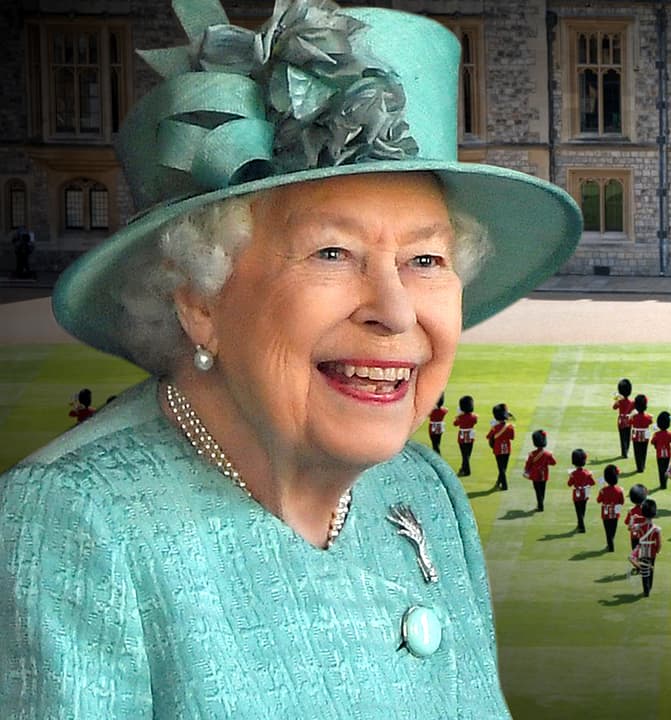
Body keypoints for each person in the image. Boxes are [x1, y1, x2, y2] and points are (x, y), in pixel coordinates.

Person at [0, 1, 582, 714]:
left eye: (425, 258)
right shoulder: (79, 520)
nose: (396, 312)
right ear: (200, 299)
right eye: (331, 253)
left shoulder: (422, 490)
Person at [631, 498, 662, 597]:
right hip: (652, 550)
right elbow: (659, 543)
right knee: (651, 567)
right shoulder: (657, 529)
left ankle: (646, 589)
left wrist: (632, 518)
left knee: (644, 569)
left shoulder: (639, 526)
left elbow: (630, 528)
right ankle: (650, 586)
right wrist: (657, 550)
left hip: (643, 550)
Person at [522, 429, 556, 512]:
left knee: (537, 490)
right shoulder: (548, 454)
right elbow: (553, 463)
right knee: (542, 490)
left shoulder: (532, 454)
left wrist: (526, 471)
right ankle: (541, 504)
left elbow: (528, 464)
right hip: (544, 473)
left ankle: (540, 505)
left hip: (535, 474)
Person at [486, 403, 515, 491]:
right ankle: (499, 482)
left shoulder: (495, 428)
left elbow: (488, 436)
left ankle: (504, 485)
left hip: (498, 449)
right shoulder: (510, 427)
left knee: (501, 468)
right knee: (504, 467)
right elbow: (512, 437)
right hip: (507, 448)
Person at [567, 449, 596, 534]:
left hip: (577, 494)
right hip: (585, 493)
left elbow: (569, 484)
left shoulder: (573, 474)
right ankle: (580, 524)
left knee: (578, 511)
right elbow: (592, 483)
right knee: (583, 509)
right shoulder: (587, 473)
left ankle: (581, 526)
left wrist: (571, 477)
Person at [596, 465, 624, 552]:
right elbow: (622, 502)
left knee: (607, 530)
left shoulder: (603, 490)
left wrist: (601, 492)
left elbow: (598, 500)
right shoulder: (619, 490)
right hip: (616, 511)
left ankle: (610, 545)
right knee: (613, 528)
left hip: (606, 512)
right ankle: (611, 542)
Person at [454, 394, 478, 477]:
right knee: (467, 454)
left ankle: (466, 470)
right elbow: (475, 421)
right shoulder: (474, 417)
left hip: (462, 437)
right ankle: (463, 468)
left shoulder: (460, 417)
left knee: (464, 455)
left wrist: (458, 416)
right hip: (471, 437)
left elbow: (455, 424)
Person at [630, 394, 653, 474]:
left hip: (635, 434)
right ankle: (642, 465)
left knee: (637, 451)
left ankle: (639, 466)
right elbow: (650, 421)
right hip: (645, 434)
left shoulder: (634, 416)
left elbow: (630, 422)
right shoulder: (648, 417)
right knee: (644, 450)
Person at [651, 411, 671, 490]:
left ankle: (662, 484)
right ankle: (665, 483)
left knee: (661, 469)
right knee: (666, 468)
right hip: (667, 454)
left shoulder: (656, 434)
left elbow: (652, 442)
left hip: (659, 454)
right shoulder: (670, 434)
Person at [613, 378, 634, 459]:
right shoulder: (631, 402)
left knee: (622, 437)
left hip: (621, 420)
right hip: (628, 420)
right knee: (628, 436)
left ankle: (623, 452)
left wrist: (616, 398)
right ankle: (626, 451)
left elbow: (614, 407)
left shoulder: (620, 401)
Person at [625, 483, 649, 553]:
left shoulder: (631, 511)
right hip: (645, 535)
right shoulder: (647, 509)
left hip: (634, 536)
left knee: (635, 554)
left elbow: (627, 522)